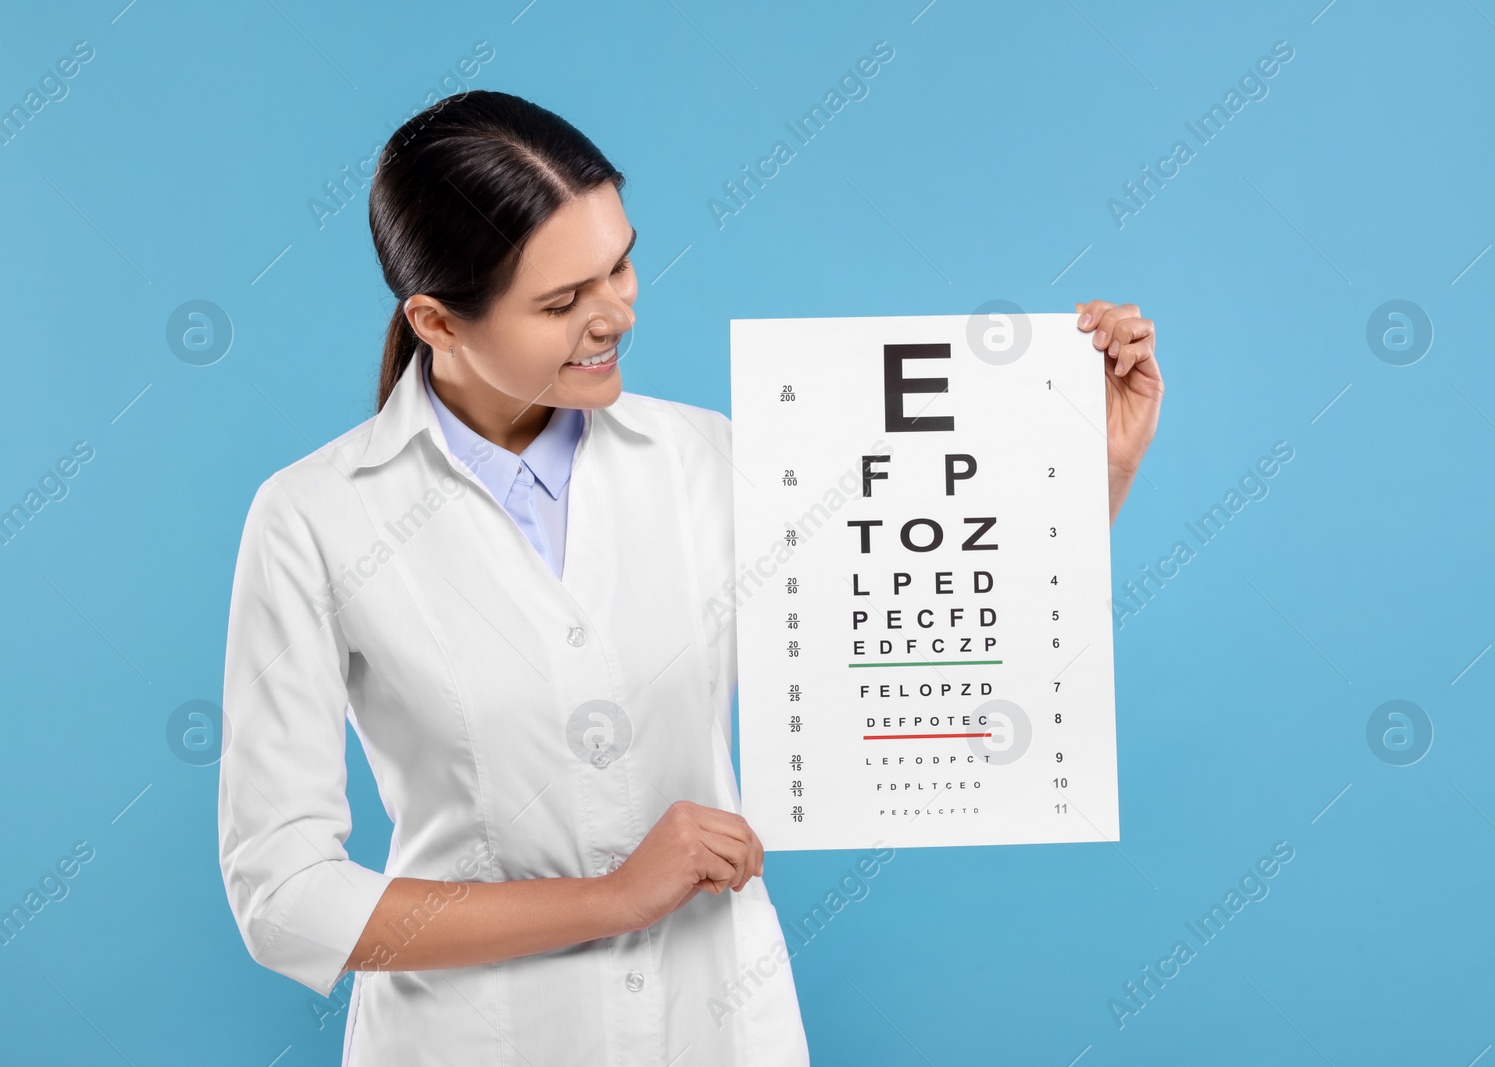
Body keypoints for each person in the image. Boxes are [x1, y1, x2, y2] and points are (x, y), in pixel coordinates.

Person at [216, 89, 1161, 1066]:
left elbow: (929, 646)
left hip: (716, 1023)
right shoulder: (315, 517)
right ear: (437, 322)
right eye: (560, 300)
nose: (615, 311)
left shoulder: (710, 458)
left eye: (619, 262)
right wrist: (608, 898)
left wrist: (1097, 467)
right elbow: (284, 897)